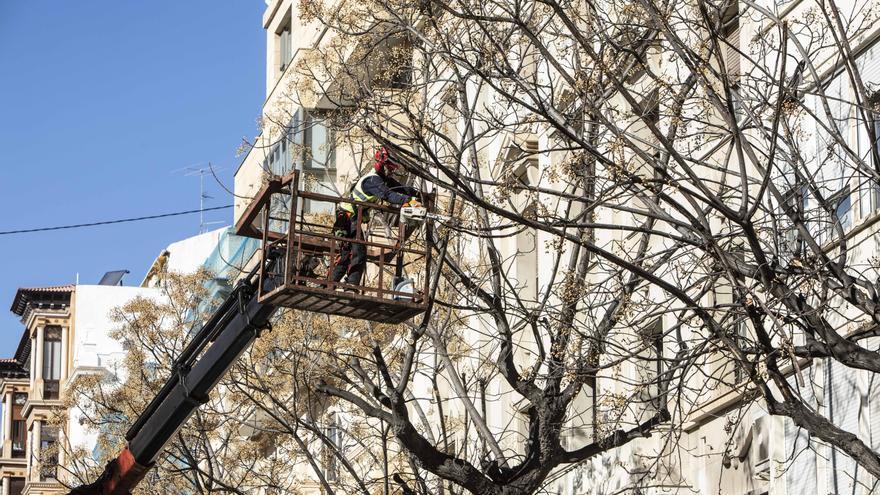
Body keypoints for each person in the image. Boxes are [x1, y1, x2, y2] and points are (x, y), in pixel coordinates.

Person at [331, 146, 422, 288]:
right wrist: (408, 202)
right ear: (381, 164)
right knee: (357, 252)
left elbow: (399, 188)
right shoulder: (372, 181)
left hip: (351, 218)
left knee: (348, 254)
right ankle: (350, 286)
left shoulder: (381, 179)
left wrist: (418, 195)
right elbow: (387, 195)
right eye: (389, 169)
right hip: (347, 219)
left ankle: (330, 284)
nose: (391, 172)